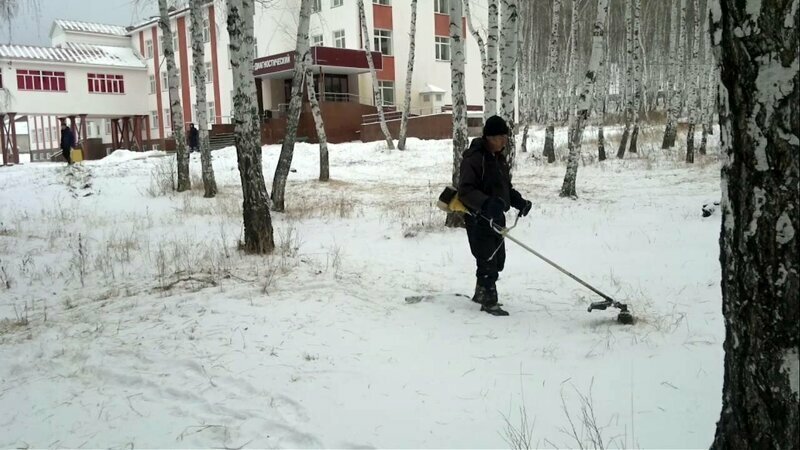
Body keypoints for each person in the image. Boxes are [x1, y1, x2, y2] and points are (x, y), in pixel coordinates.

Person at [457, 115, 532, 316]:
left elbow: (505, 188)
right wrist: (485, 203)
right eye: (500, 137)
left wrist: (519, 202)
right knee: (486, 260)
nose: (504, 140)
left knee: (498, 261)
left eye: (505, 137)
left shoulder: (499, 159)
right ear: (489, 137)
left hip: (497, 218)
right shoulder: (474, 159)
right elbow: (465, 190)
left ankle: (480, 292)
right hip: (478, 218)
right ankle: (489, 301)